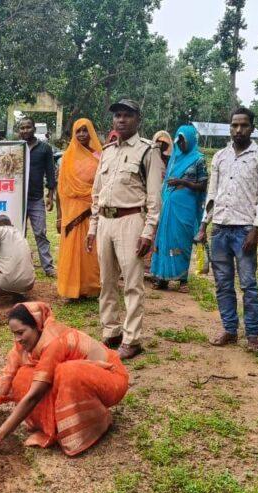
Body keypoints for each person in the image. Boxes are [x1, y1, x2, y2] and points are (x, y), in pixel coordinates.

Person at [0, 302, 128, 459]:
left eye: (21, 332)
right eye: (14, 334)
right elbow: (4, 383)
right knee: (22, 378)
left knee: (67, 372)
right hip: (84, 377)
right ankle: (58, 425)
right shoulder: (22, 348)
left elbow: (34, 396)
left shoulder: (54, 342)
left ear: (37, 326)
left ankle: (94, 424)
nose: (17, 340)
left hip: (111, 379)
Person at [86, 99, 164, 360]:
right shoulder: (107, 151)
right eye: (117, 116)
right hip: (106, 222)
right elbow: (96, 193)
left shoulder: (147, 151)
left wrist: (148, 232)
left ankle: (132, 339)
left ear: (137, 119)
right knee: (106, 282)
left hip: (131, 220)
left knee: (132, 283)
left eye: (127, 115)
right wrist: (93, 227)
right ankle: (111, 332)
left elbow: (154, 198)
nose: (121, 120)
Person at [195, 107, 258, 353]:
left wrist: (256, 230)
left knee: (248, 284)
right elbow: (212, 193)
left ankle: (252, 335)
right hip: (219, 229)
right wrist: (204, 225)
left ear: (252, 128)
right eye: (234, 125)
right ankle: (229, 329)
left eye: (244, 125)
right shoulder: (219, 156)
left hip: (244, 230)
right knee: (223, 283)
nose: (238, 130)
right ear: (230, 127)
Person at [151, 124, 208, 292]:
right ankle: (162, 277)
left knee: (182, 241)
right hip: (169, 205)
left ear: (190, 140)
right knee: (164, 240)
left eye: (183, 141)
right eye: (178, 141)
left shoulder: (198, 159)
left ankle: (182, 279)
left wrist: (182, 182)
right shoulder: (175, 158)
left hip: (186, 207)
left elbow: (203, 185)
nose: (181, 144)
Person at [55, 118, 102, 299]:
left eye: (85, 130)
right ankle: (70, 288)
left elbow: (103, 184)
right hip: (72, 210)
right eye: (78, 131)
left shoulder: (99, 156)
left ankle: (92, 287)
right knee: (72, 248)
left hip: (93, 209)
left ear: (91, 132)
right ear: (73, 134)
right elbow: (61, 188)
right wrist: (60, 216)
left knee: (92, 248)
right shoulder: (67, 157)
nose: (82, 134)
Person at [18, 117, 57, 277]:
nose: (25, 130)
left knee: (40, 232)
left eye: (28, 127)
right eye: (22, 128)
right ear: (18, 131)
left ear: (34, 128)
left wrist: (50, 195)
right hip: (17, 200)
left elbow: (50, 172)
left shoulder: (45, 149)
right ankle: (19, 266)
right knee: (19, 235)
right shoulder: (15, 148)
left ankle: (48, 267)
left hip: (36, 199)